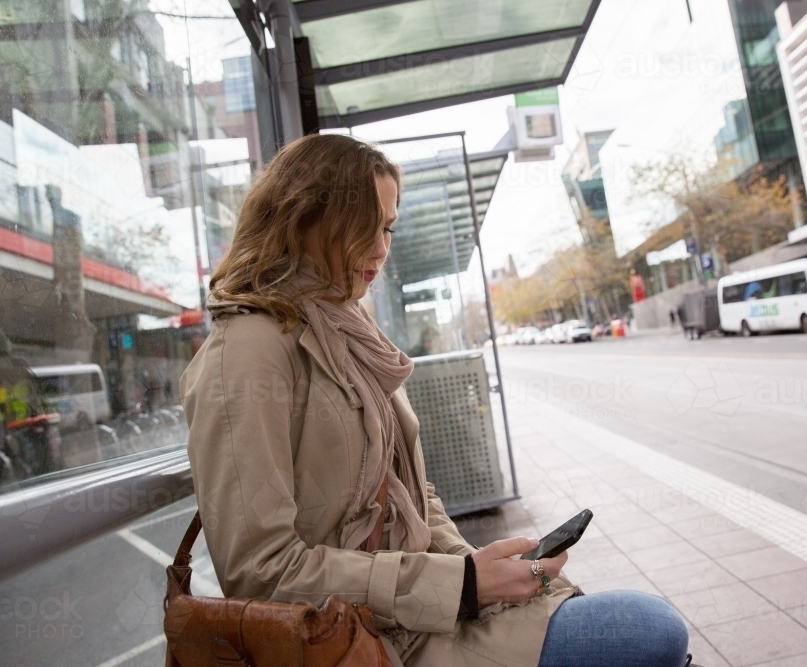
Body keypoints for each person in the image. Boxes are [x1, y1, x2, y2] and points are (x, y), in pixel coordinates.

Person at [180, 134, 689, 667]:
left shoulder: (347, 328)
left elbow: (413, 494)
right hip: (356, 640)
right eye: (364, 226)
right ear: (305, 216)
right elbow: (260, 571)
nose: (381, 248)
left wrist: (476, 570)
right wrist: (461, 587)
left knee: (645, 629)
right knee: (649, 631)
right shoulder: (247, 348)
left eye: (388, 227)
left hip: (417, 615)